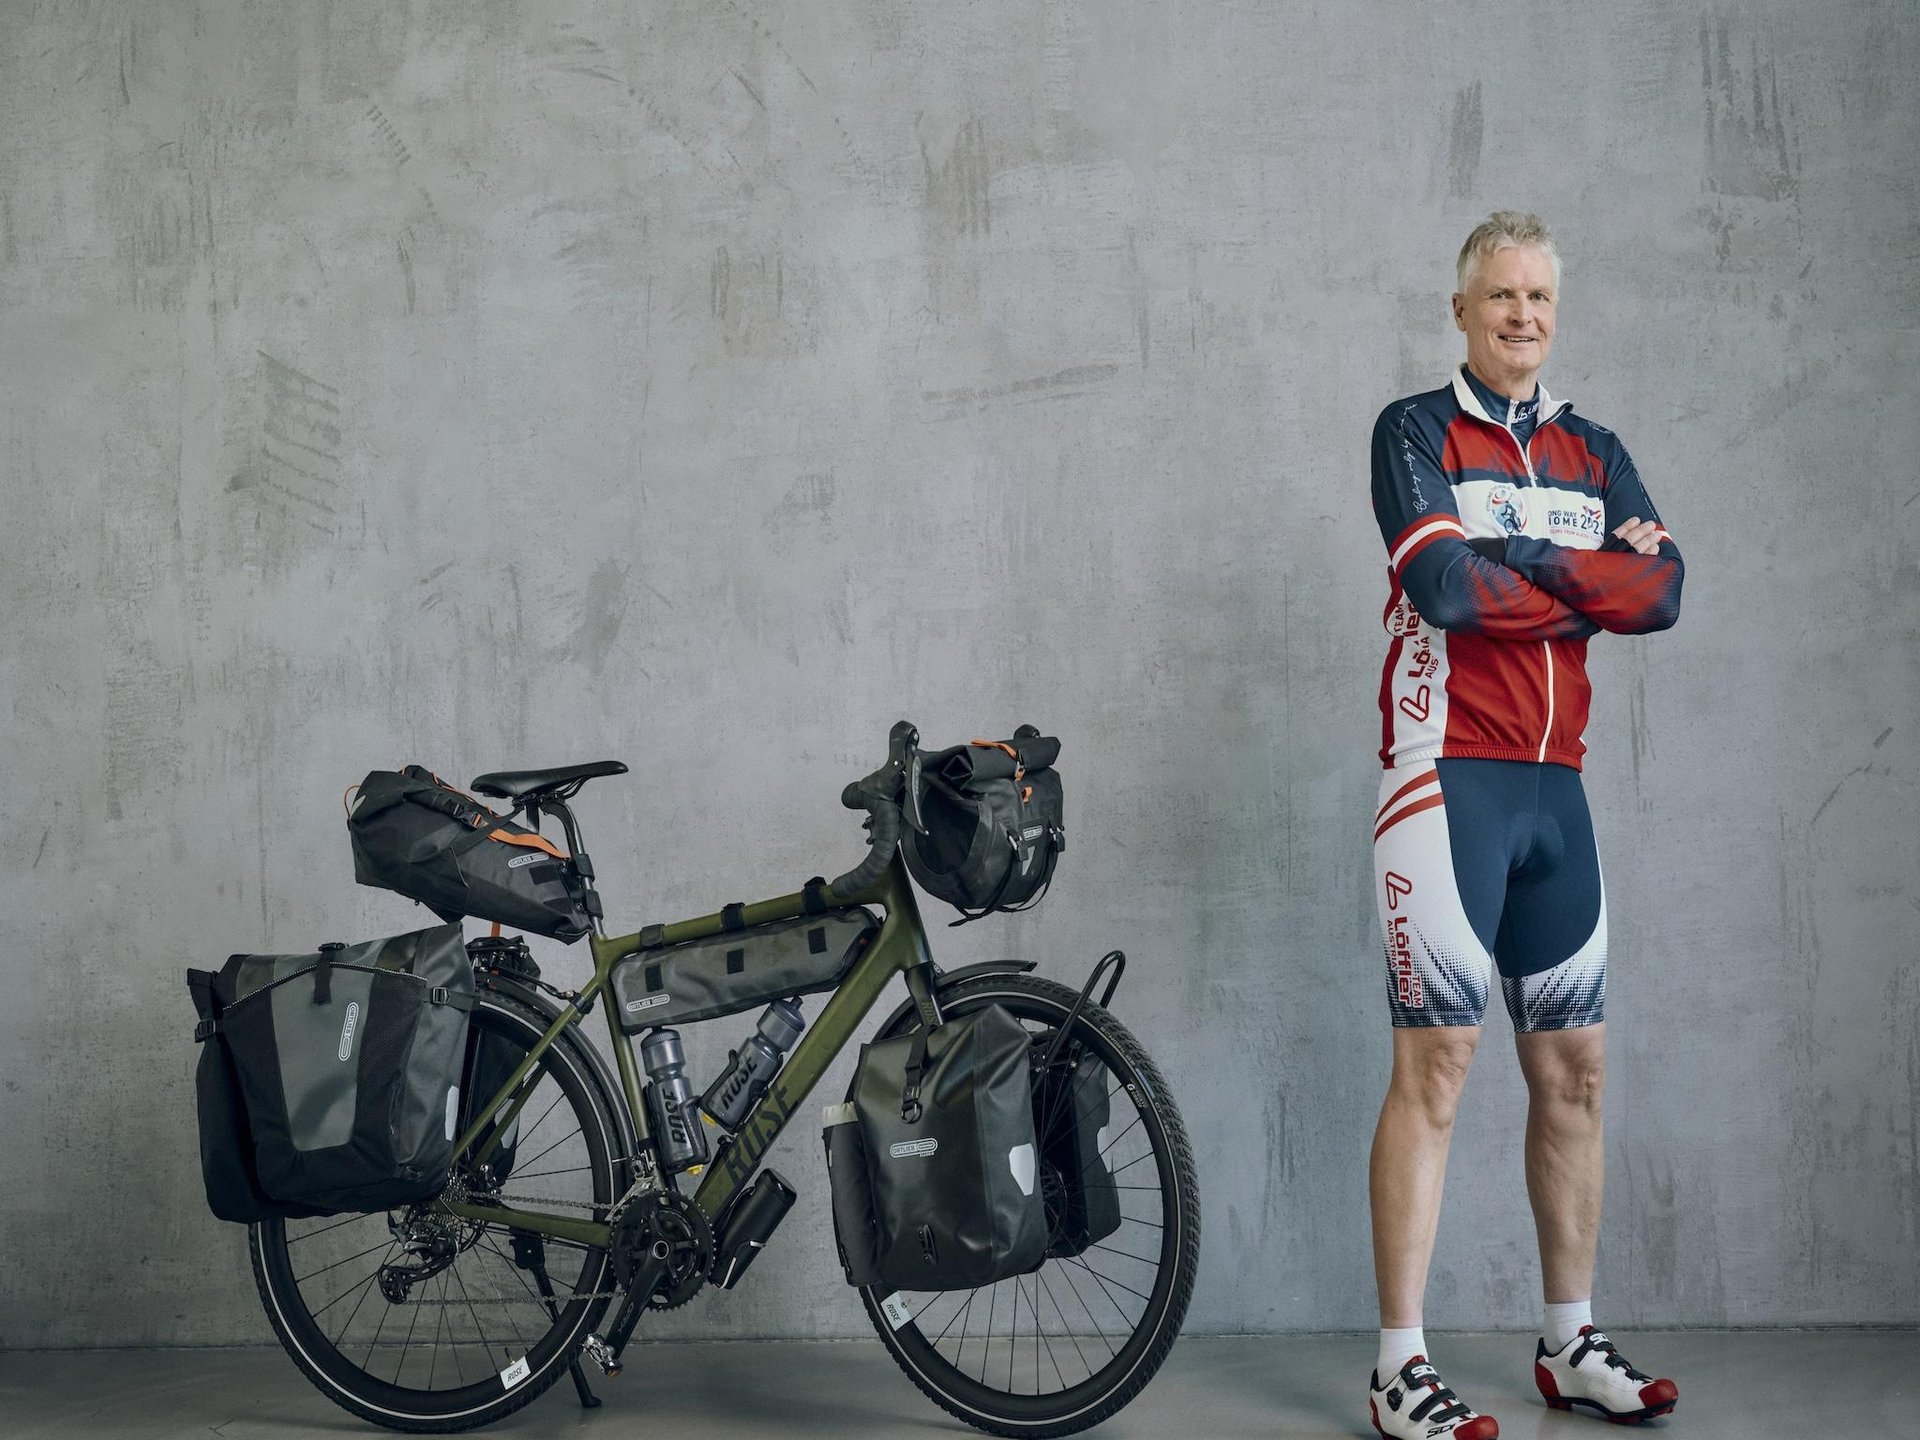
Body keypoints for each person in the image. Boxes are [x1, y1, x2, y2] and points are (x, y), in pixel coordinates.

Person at [1362, 212, 1685, 1439]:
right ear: (1462, 309)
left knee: (1576, 1072)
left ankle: (1568, 1343)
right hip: (1445, 780)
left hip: (1558, 789)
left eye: (1540, 298)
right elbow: (1443, 587)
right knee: (1437, 1068)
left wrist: (1521, 561)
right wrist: (1586, 581)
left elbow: (1663, 592)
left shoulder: (1596, 449)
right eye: (1501, 296)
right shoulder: (1413, 431)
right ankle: (1399, 1368)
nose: (1522, 316)